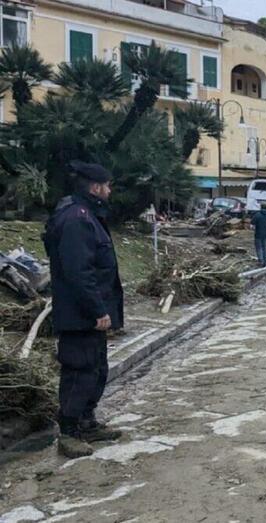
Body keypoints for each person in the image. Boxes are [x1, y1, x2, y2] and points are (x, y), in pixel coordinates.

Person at [43, 161, 125, 458]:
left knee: (96, 368)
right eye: (107, 185)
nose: (110, 190)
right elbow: (79, 272)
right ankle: (69, 432)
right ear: (95, 187)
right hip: (80, 315)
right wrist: (97, 310)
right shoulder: (77, 219)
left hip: (88, 314)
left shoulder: (86, 214)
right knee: (79, 370)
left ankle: (87, 422)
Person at [251, 202, 266, 267]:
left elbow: (252, 226)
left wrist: (253, 229)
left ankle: (260, 261)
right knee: (265, 247)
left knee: (259, 248)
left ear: (261, 207)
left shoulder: (257, 215)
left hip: (258, 234)